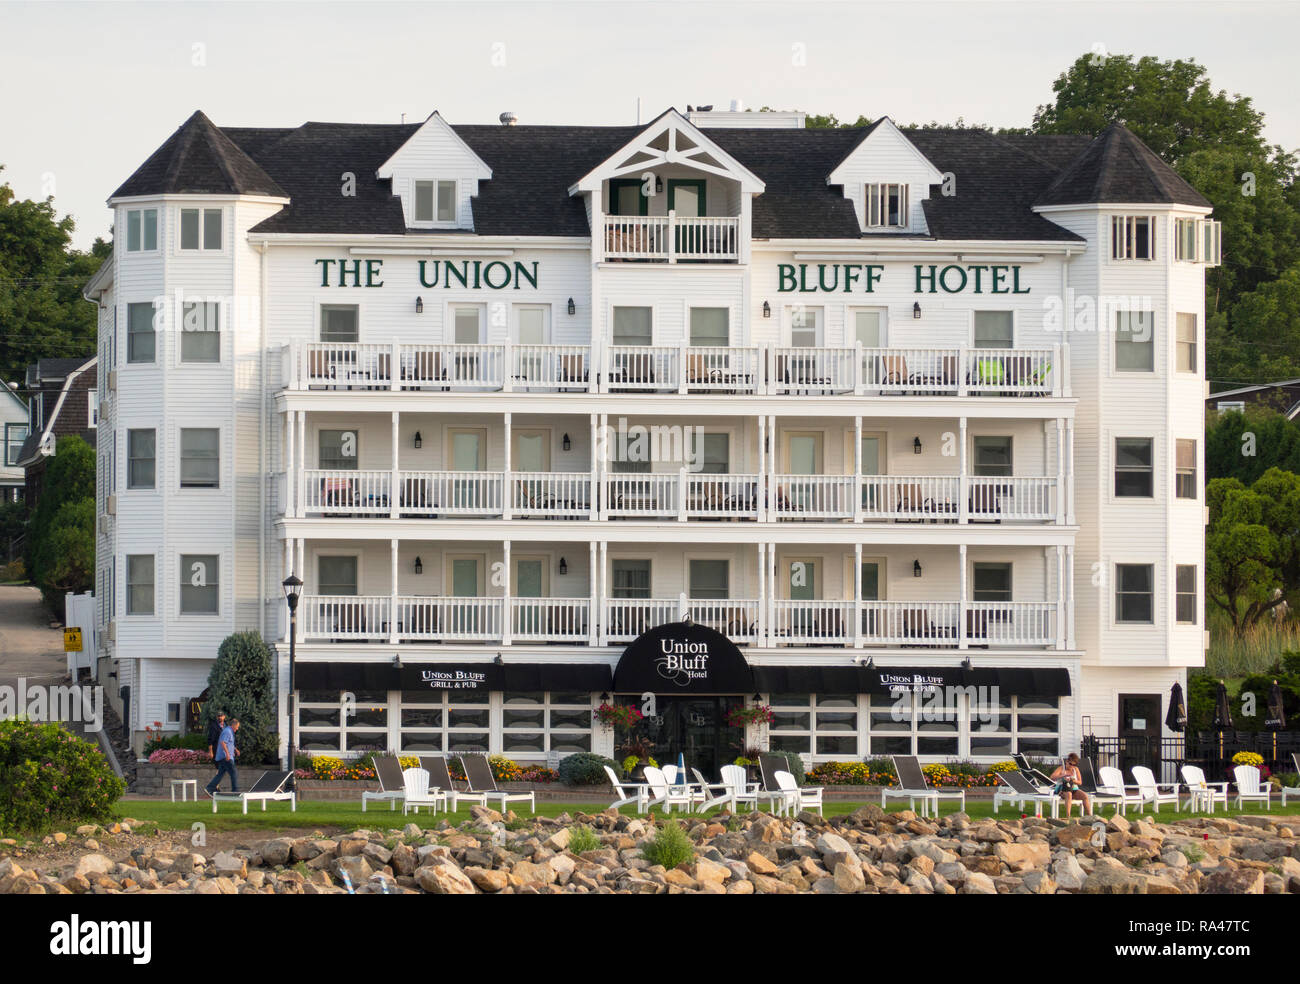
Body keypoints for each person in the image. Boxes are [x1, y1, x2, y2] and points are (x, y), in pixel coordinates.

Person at [204, 717, 240, 796]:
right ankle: (235, 791)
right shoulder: (227, 731)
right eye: (237, 727)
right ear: (233, 725)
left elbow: (228, 743)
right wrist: (227, 754)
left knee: (220, 774)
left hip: (223, 756)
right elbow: (223, 743)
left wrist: (235, 749)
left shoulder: (228, 731)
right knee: (234, 773)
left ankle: (210, 788)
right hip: (225, 757)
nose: (237, 729)